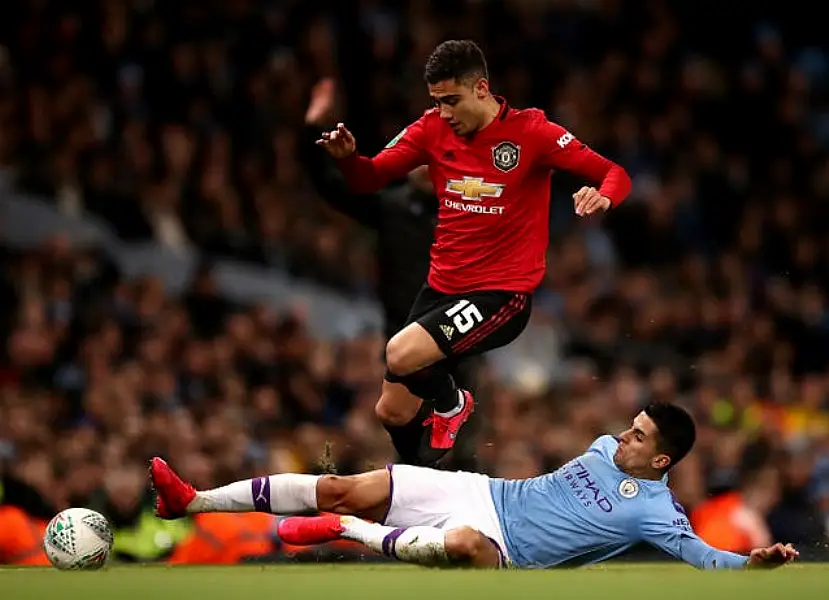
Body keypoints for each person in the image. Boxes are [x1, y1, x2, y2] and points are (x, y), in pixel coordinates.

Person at [316, 40, 633, 465]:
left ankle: (451, 404)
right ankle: (421, 479)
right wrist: (349, 158)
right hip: (441, 289)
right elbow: (369, 179)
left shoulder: (532, 132)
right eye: (436, 101)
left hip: (500, 294)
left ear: (481, 88)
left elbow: (613, 172)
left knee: (398, 353)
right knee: (390, 410)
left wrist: (604, 198)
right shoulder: (431, 128)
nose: (444, 112)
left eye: (451, 100)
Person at [150, 403, 797, 570]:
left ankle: (347, 536)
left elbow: (702, 557)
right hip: (482, 491)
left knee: (463, 547)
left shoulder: (657, 513)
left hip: (503, 550)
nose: (621, 437)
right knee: (342, 484)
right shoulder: (602, 447)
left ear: (661, 463)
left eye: (637, 437)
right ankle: (194, 500)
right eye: (629, 427)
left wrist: (753, 563)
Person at [301, 78, 483, 468]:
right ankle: (411, 479)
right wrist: (316, 129)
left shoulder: (472, 210)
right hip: (403, 331)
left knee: (454, 425)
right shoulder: (394, 205)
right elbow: (330, 185)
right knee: (401, 420)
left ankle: (450, 478)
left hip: (456, 333)